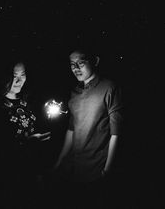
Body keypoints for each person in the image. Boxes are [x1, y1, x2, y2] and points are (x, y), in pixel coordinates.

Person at [49, 45, 124, 208]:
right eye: (71, 64)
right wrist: (60, 160)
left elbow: (116, 133)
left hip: (96, 170)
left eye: (81, 62)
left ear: (95, 61)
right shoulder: (74, 92)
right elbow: (72, 129)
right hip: (74, 170)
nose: (75, 68)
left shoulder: (109, 88)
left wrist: (108, 169)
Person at [0, 59, 51, 208]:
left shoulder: (27, 100)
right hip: (12, 175)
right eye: (15, 75)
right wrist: (27, 142)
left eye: (23, 74)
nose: (19, 80)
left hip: (35, 167)